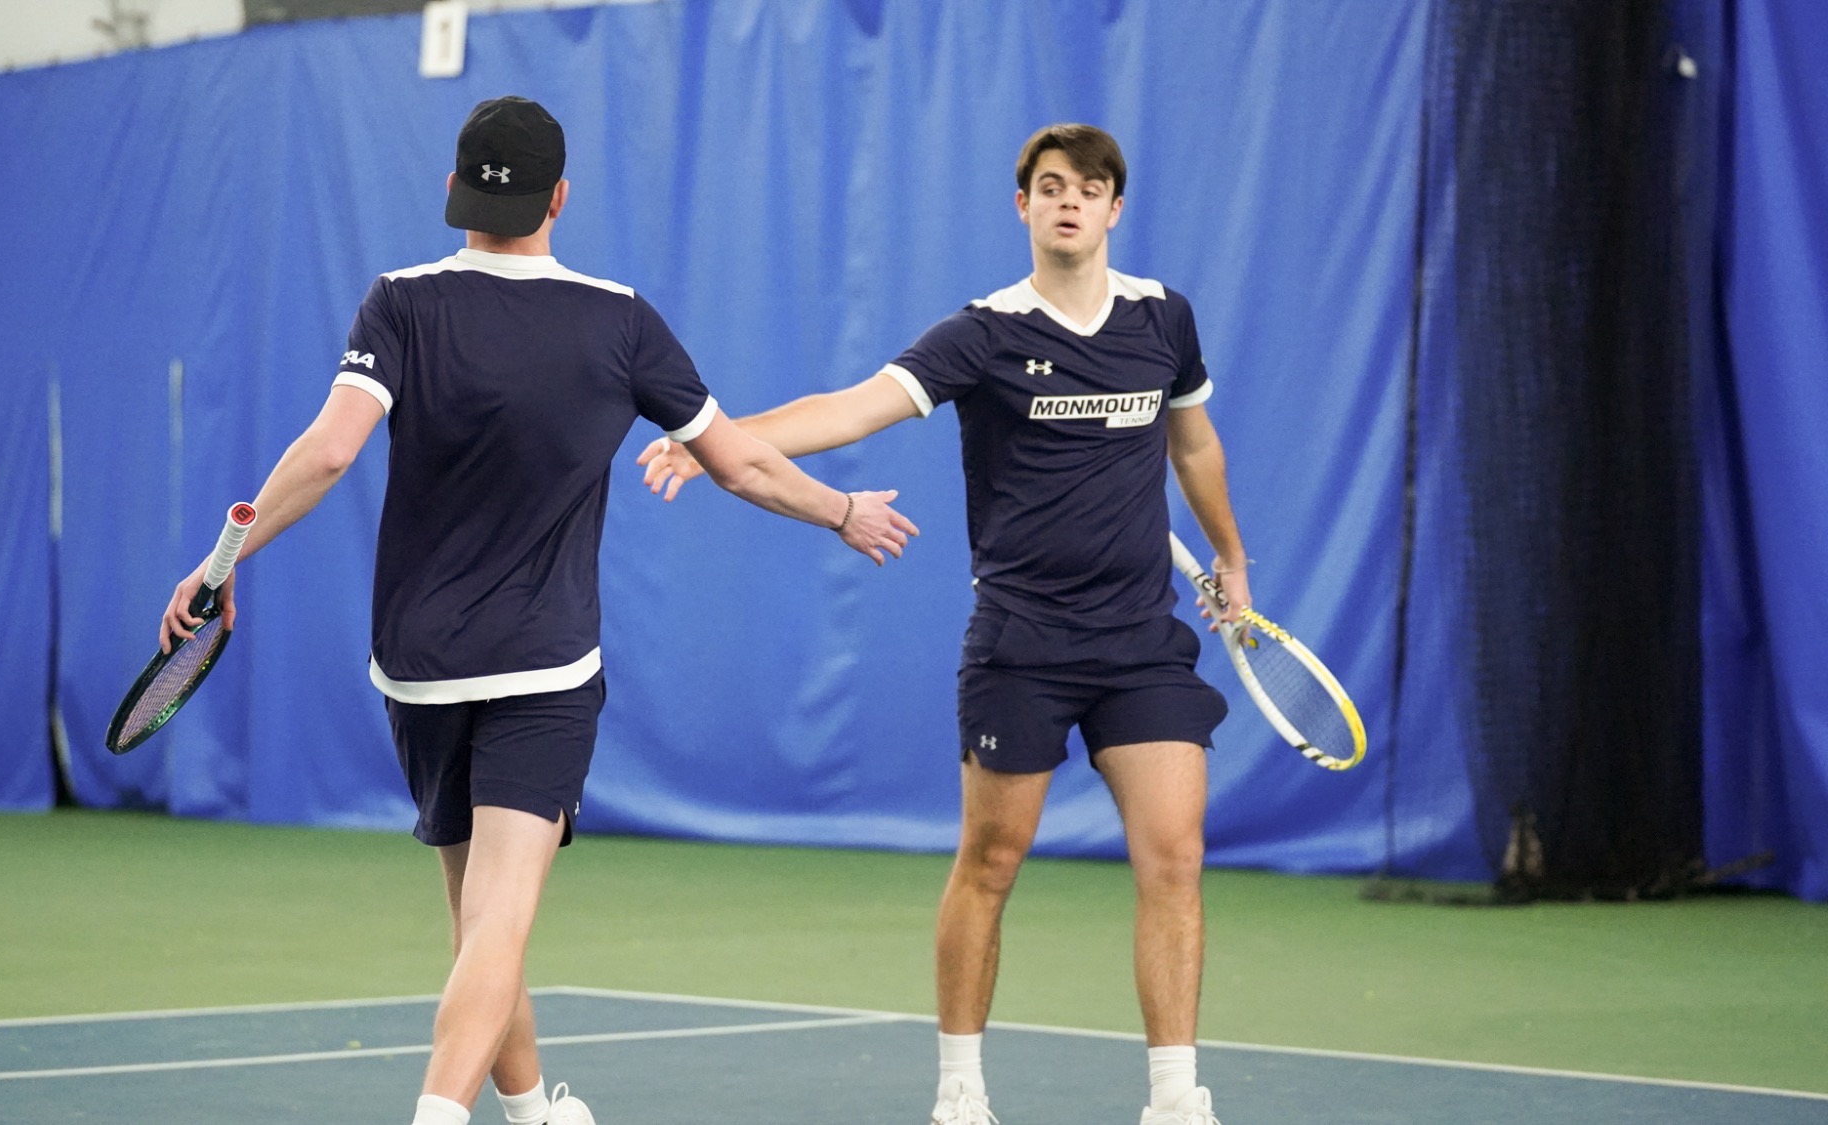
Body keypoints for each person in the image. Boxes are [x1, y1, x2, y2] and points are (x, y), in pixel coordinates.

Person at [159, 96, 919, 1125]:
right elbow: (735, 462)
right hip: (544, 669)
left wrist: (222, 560)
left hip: (417, 667)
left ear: (453, 191)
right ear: (559, 197)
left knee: (479, 925)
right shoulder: (621, 320)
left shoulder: (398, 302)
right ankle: (438, 1112)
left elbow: (331, 450)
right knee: (499, 927)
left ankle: (531, 1113)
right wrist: (841, 512)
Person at [637, 123, 1248, 1125]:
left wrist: (1226, 554)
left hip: (1141, 641)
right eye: (1049, 186)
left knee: (1174, 860)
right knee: (990, 864)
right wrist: (717, 441)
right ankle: (959, 1091)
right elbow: (848, 409)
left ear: (1112, 209)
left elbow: (1194, 445)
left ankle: (1175, 1097)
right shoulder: (984, 333)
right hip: (1021, 643)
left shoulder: (1162, 320)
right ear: (1022, 206)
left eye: (1088, 188)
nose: (1068, 201)